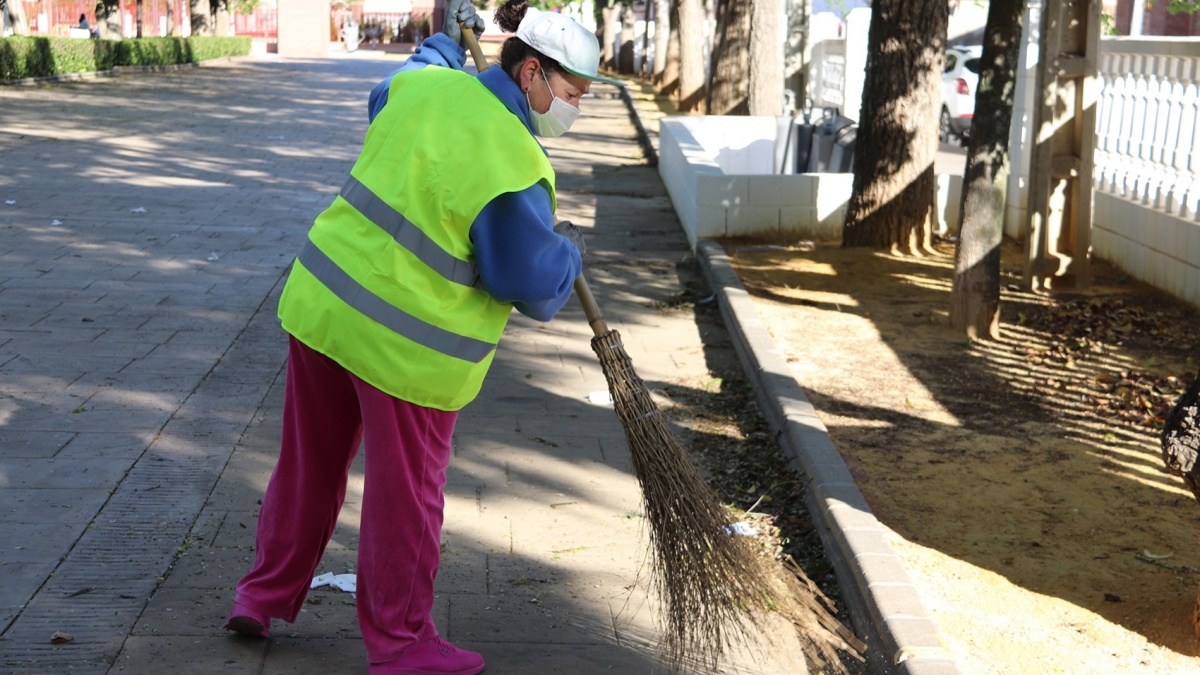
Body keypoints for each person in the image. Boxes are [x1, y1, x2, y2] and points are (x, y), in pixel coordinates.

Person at [221, 1, 621, 674]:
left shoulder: (426, 87)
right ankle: (402, 642)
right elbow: (524, 280)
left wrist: (442, 42)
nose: (575, 109)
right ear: (532, 73)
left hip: (324, 307)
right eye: (573, 93)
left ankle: (260, 596)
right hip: (406, 351)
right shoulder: (514, 160)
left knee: (308, 465)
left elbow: (390, 88)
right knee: (404, 495)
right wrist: (568, 253)